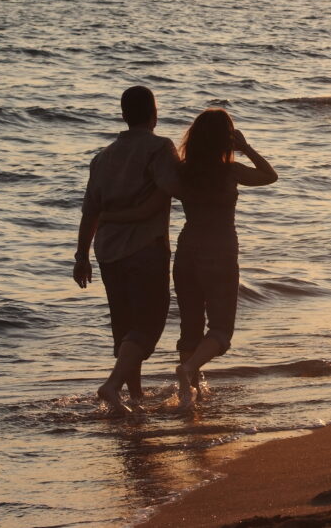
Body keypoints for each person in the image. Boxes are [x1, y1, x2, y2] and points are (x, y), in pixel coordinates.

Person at [103, 108, 276, 411]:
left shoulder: (181, 172)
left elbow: (148, 206)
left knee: (190, 327)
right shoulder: (230, 171)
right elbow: (269, 176)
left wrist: (105, 217)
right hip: (220, 251)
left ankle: (189, 395)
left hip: (186, 252)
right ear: (226, 139)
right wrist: (245, 147)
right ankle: (188, 372)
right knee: (221, 330)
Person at [72, 86, 180, 416]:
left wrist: (81, 257)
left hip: (108, 252)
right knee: (148, 325)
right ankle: (113, 386)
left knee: (125, 327)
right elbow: (173, 188)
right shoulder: (160, 147)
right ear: (154, 115)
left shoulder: (102, 157)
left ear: (123, 115)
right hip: (145, 248)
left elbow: (89, 211)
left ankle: (135, 397)